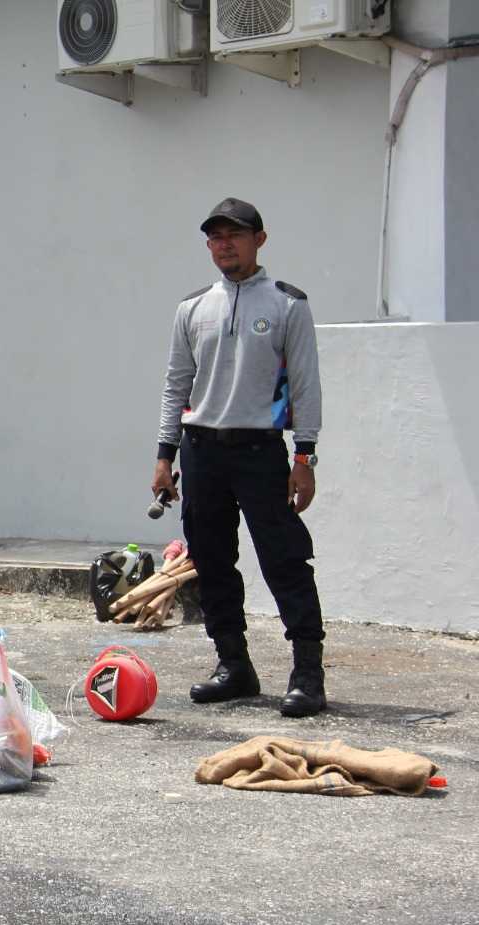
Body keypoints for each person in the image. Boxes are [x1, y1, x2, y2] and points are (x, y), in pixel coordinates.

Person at [153, 197, 326, 717]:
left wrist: (305, 457)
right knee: (211, 560)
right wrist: (165, 454)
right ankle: (234, 665)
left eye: (236, 234)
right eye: (216, 236)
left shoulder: (286, 304)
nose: (225, 243)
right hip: (202, 451)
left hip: (260, 453)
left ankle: (308, 674)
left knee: (284, 560)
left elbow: (305, 384)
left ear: (259, 240)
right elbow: (175, 385)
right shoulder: (193, 308)